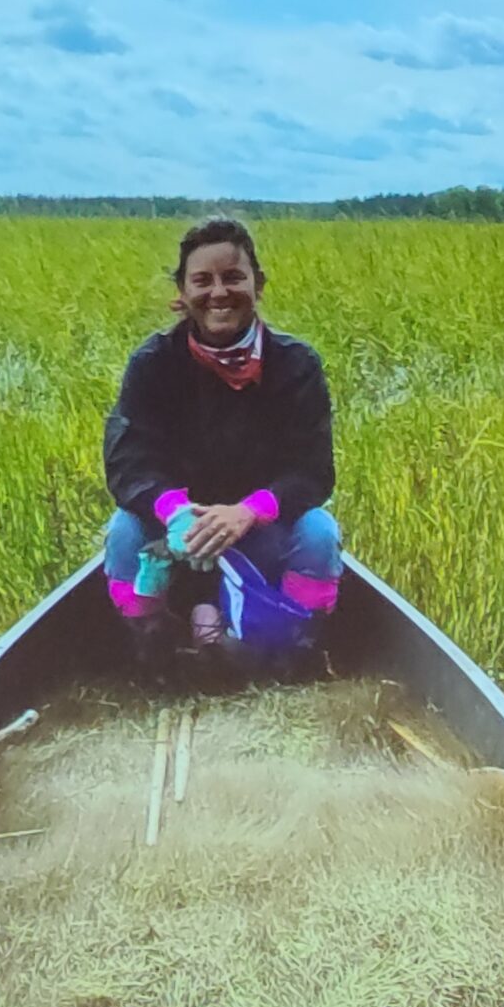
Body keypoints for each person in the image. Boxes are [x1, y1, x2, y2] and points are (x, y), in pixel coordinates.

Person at [101, 216, 342, 673]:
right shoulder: (152, 364)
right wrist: (176, 512)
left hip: (260, 532)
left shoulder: (296, 365)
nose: (219, 293)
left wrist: (247, 512)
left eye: (233, 277)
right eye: (202, 281)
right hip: (177, 536)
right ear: (182, 291)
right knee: (123, 532)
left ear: (258, 284)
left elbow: (312, 470)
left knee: (319, 532)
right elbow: (128, 462)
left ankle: (293, 651)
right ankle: (155, 652)